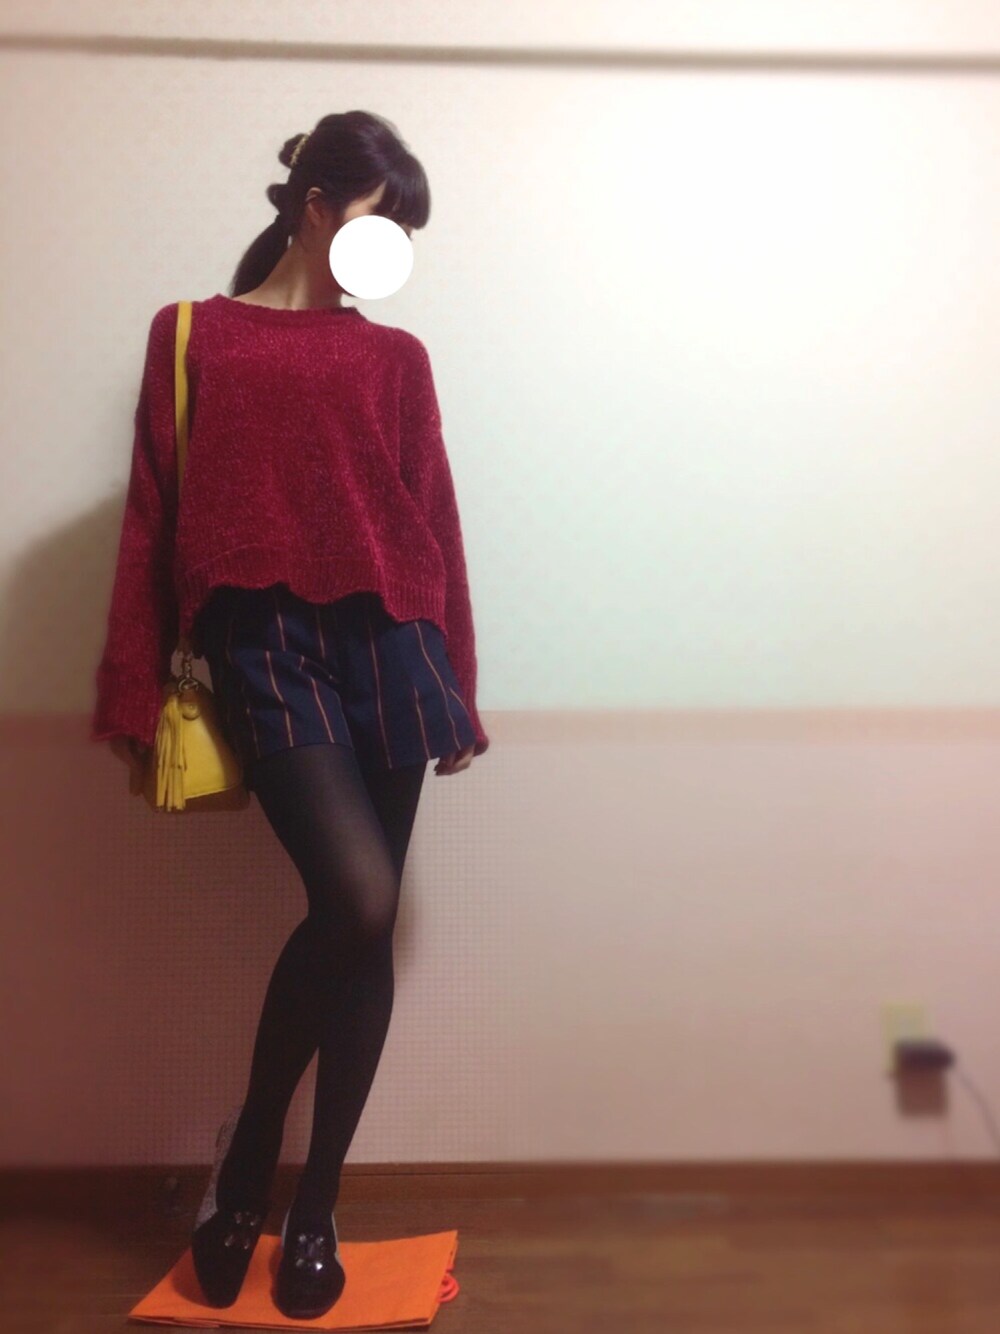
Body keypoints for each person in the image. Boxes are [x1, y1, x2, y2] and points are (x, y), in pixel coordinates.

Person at [91, 111, 489, 1321]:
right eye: (382, 216)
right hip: (262, 645)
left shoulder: (397, 359)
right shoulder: (193, 335)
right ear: (318, 205)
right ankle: (251, 1153)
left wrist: (458, 680)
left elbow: (432, 518)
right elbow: (154, 516)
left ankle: (312, 1205)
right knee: (357, 897)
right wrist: (129, 681)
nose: (393, 243)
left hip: (392, 645)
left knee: (361, 925)